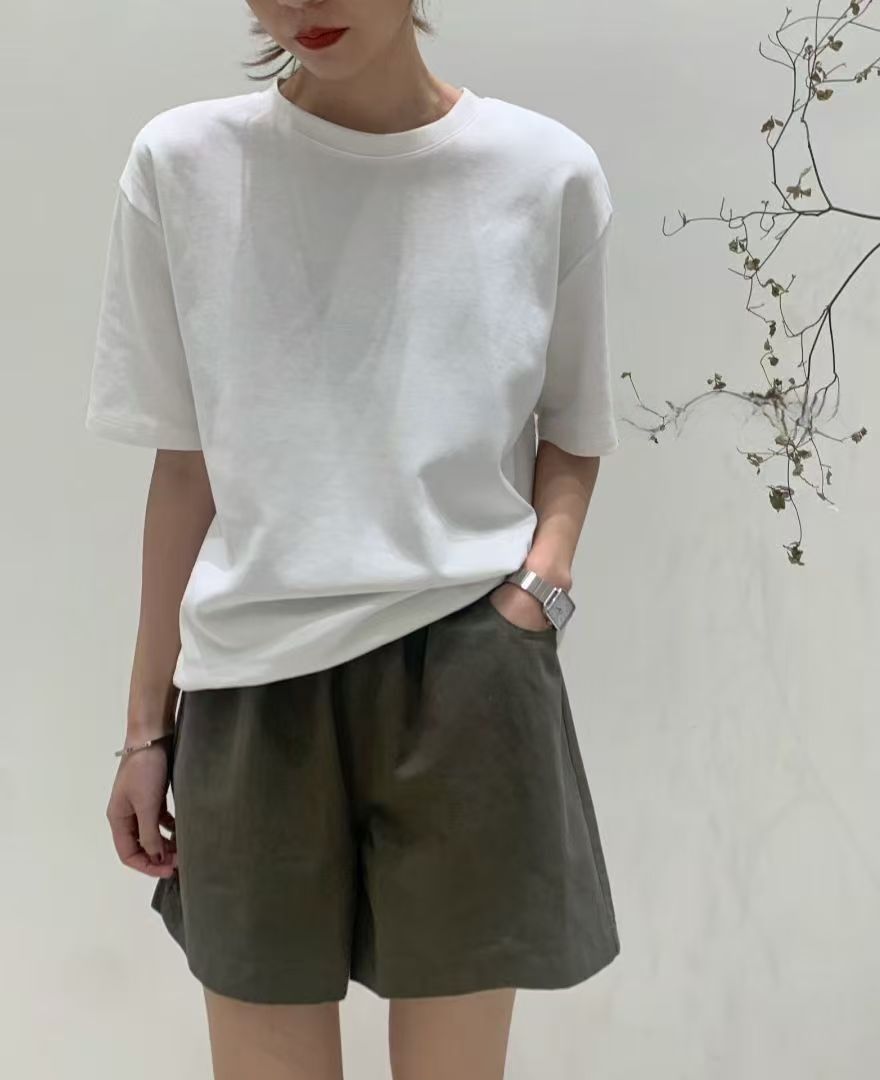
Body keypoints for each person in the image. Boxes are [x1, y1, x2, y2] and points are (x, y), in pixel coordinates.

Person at [85, 1, 621, 1077]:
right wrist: (146, 733)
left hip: (468, 676)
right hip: (250, 690)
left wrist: (538, 592)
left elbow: (574, 427)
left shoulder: (542, 171)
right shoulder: (183, 164)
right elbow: (186, 466)